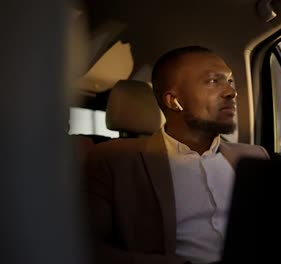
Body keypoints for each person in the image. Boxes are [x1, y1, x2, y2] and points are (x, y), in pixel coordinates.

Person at [82, 46, 269, 264]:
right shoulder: (111, 160)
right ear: (174, 101)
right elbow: (86, 249)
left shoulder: (255, 156)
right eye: (212, 81)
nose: (231, 92)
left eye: (229, 81)